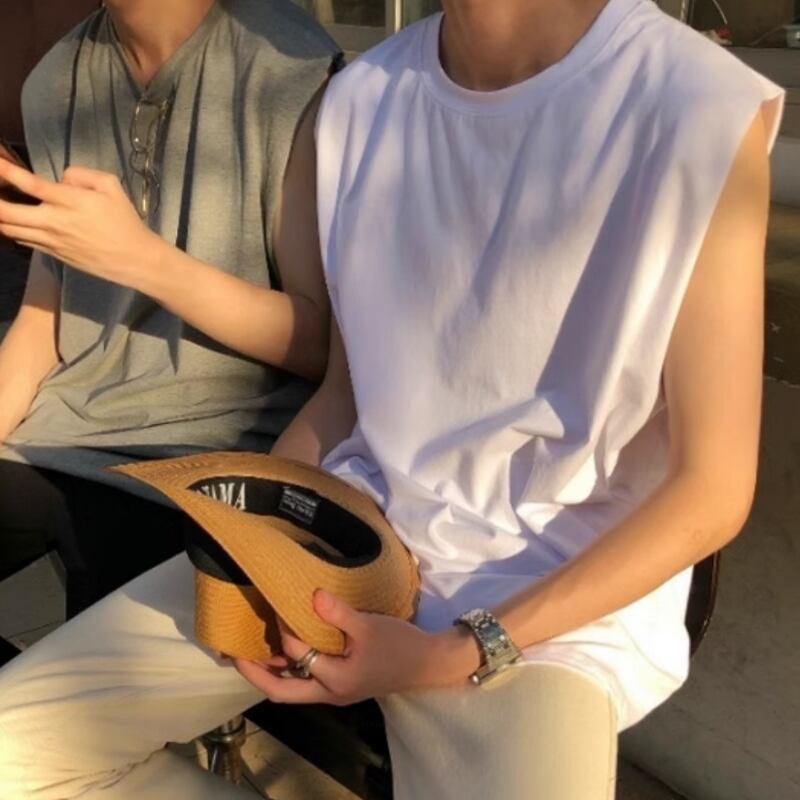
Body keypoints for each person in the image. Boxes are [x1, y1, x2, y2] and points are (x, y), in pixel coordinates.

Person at [0, 0, 784, 797]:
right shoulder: (360, 100)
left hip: (544, 612)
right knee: (14, 752)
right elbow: (346, 396)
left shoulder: (694, 106)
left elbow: (712, 489)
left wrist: (459, 650)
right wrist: (262, 543)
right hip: (348, 547)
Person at [0, 0, 339, 618]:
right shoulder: (55, 80)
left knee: (99, 645)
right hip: (61, 435)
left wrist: (140, 260)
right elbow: (43, 321)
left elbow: (320, 345)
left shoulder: (291, 68)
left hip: (214, 454)